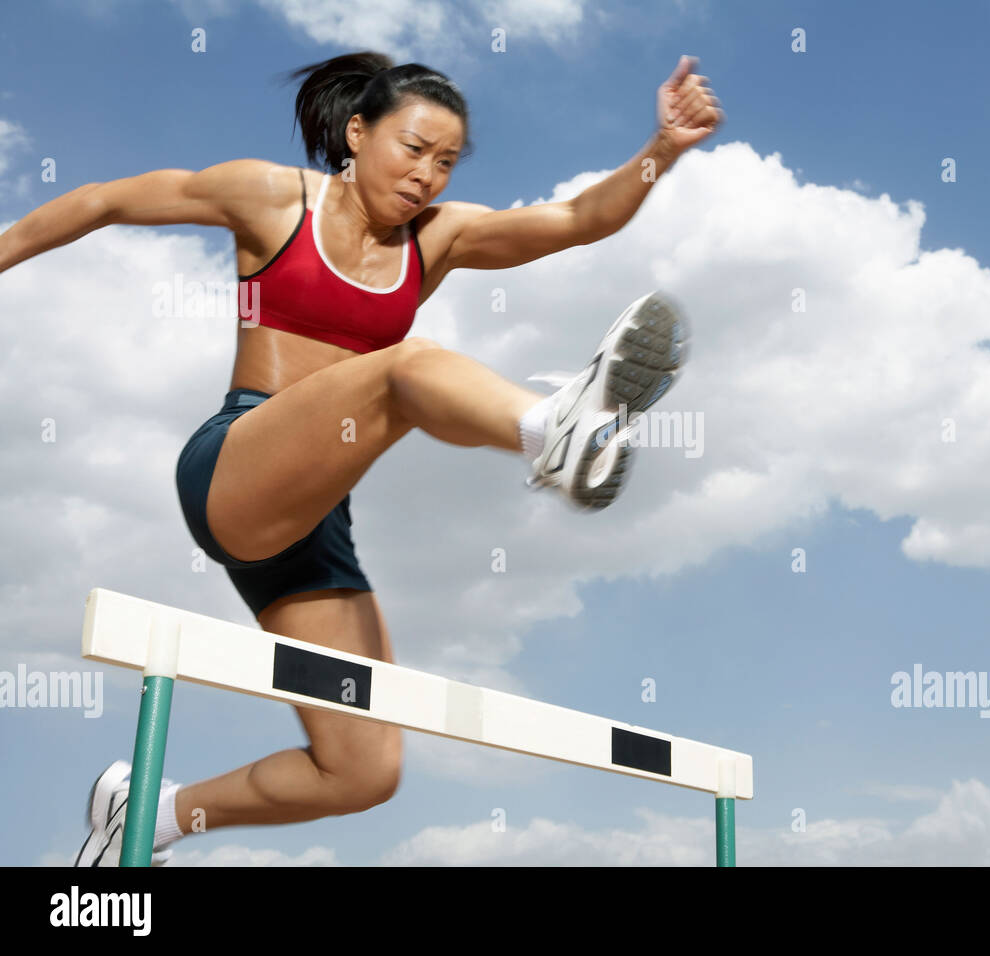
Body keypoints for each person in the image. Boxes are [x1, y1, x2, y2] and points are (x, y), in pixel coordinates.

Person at [0, 50, 722, 866]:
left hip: (314, 526)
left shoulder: (438, 239)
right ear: (357, 133)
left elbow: (580, 218)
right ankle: (550, 428)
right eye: (413, 150)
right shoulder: (272, 197)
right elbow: (104, 200)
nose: (426, 176)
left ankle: (151, 815)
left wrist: (664, 147)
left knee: (361, 770)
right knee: (403, 369)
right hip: (236, 466)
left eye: (446, 162)